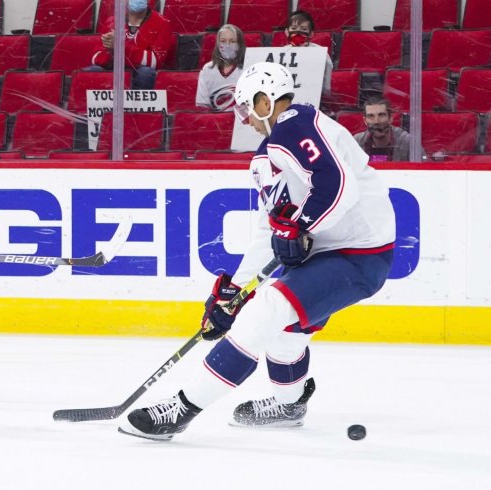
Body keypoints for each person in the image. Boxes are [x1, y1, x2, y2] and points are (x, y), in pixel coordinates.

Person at [119, 62, 396, 440]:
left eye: (247, 107)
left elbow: (338, 187)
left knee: (267, 308)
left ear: (266, 101)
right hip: (332, 253)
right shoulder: (267, 156)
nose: (245, 118)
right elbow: (270, 228)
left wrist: (299, 225)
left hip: (360, 253)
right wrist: (234, 288)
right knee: (284, 331)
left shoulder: (296, 124)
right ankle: (289, 404)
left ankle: (182, 408)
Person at [89, 0, 173, 90]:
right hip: (114, 70)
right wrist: (111, 50)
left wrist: (121, 47)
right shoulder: (112, 22)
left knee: (146, 73)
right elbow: (95, 58)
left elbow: (155, 62)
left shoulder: (162, 22)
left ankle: (139, 104)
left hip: (140, 74)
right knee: (93, 71)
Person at [353, 96, 424, 162]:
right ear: (365, 120)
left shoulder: (408, 143)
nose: (376, 121)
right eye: (371, 116)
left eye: (381, 115)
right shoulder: (356, 142)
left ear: (390, 118)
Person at [196, 24, 246, 111]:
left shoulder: (247, 68)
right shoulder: (208, 69)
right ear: (218, 44)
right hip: (214, 121)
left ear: (240, 44)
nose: (227, 45)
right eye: (223, 41)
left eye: (232, 41)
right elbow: (202, 105)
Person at [282, 10, 332, 95]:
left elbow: (326, 87)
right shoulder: (281, 52)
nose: (298, 32)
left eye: (303, 29)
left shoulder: (321, 53)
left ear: (311, 33)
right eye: (293, 28)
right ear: (287, 32)